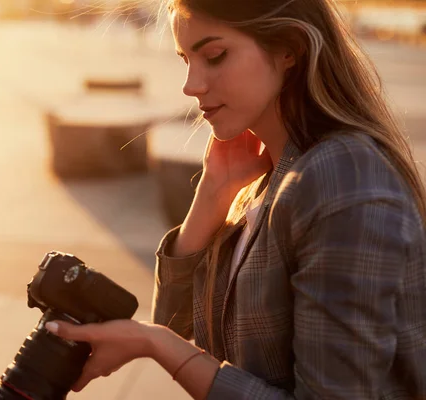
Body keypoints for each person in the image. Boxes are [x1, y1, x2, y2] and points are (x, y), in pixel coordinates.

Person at [44, 0, 426, 397]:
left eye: (214, 56)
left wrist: (155, 344)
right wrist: (214, 191)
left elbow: (167, 336)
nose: (191, 85)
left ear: (289, 48)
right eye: (186, 59)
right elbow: (176, 320)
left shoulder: (344, 180)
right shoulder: (270, 177)